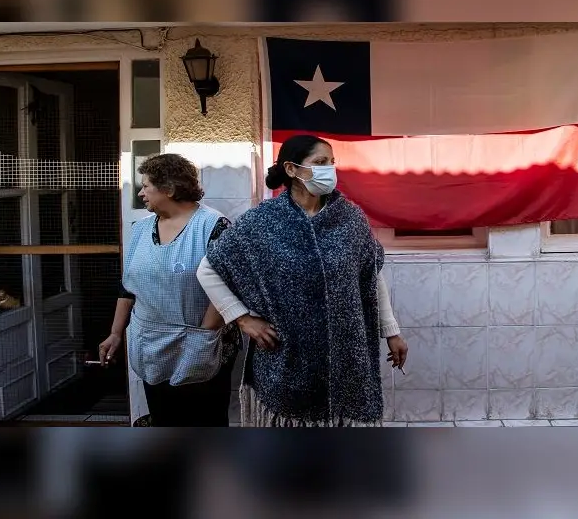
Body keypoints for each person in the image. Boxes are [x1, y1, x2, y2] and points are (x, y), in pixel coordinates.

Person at [196, 134, 408, 427]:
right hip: (287, 355)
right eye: (320, 162)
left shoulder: (350, 218)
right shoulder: (263, 221)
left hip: (347, 353)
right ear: (292, 169)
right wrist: (242, 319)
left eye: (332, 163)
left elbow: (370, 276)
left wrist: (392, 332)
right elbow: (208, 269)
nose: (329, 170)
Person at [98, 153, 241, 427]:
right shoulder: (140, 230)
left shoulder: (213, 226)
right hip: (153, 346)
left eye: (146, 186)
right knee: (165, 420)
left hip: (202, 346)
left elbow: (230, 285)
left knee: (204, 423)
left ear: (170, 189)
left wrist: (203, 337)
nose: (141, 193)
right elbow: (128, 285)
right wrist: (116, 333)